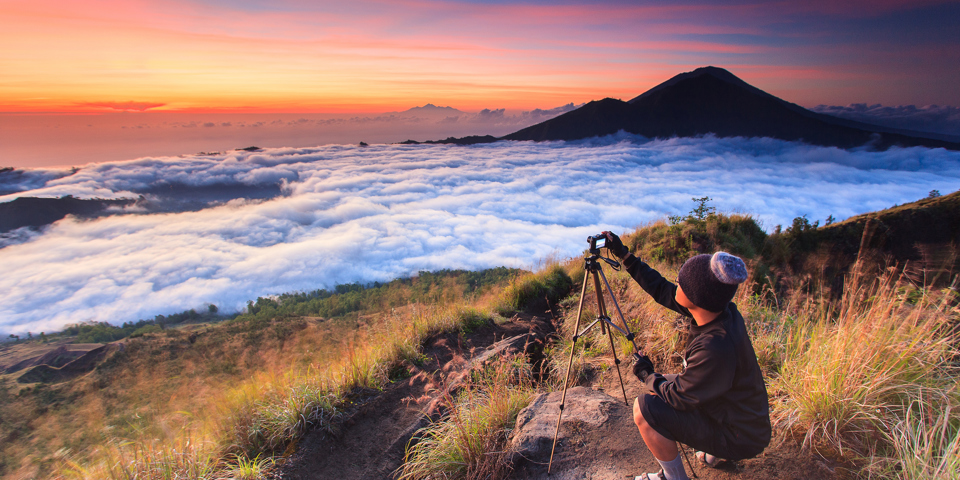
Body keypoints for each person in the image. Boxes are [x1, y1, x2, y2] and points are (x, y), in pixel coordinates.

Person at [602, 232, 771, 480]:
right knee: (662, 385)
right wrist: (624, 255)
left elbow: (678, 397)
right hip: (745, 420)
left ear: (695, 297)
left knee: (645, 407)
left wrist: (647, 374)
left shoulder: (715, 347)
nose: (676, 283)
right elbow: (661, 289)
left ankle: (674, 477)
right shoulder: (721, 311)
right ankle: (715, 452)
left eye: (680, 282)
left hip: (740, 436)